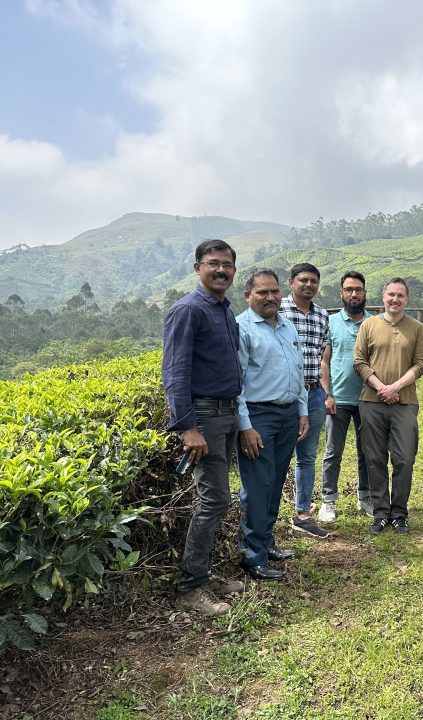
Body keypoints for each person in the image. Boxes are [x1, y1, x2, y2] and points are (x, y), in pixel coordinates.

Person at [162, 239, 245, 616]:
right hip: (205, 417)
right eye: (213, 263)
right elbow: (175, 373)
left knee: (214, 499)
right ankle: (190, 588)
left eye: (227, 265)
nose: (221, 270)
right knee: (213, 499)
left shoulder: (225, 310)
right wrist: (187, 426)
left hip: (225, 414)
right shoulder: (187, 310)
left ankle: (203, 574)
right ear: (198, 267)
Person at [236, 269, 309, 580]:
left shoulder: (287, 326)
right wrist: (245, 426)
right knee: (257, 484)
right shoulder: (241, 328)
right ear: (248, 296)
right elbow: (236, 382)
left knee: (276, 480)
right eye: (262, 292)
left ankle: (266, 543)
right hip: (258, 416)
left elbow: (299, 371)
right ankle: (252, 556)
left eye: (274, 292)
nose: (270, 297)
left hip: (288, 414)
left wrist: (302, 410)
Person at [353, 278, 423, 534]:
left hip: (404, 402)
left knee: (404, 458)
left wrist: (395, 388)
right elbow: (359, 361)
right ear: (383, 297)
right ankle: (381, 512)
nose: (395, 300)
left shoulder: (417, 327)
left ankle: (399, 513)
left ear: (407, 299)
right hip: (372, 401)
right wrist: (381, 387)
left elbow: (420, 363)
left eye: (400, 295)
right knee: (374, 457)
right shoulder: (368, 325)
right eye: (391, 295)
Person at [278, 263, 332, 538]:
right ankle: (268, 514)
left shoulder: (322, 315)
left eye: (313, 281)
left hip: (313, 393)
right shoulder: (278, 310)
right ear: (291, 282)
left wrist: (325, 391)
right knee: (279, 455)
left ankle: (303, 514)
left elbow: (323, 356)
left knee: (308, 456)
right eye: (303, 280)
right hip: (286, 395)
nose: (308, 285)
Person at [320, 271, 373, 520]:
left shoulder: (375, 323)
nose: (354, 294)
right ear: (341, 293)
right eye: (349, 289)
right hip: (338, 399)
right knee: (333, 452)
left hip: (367, 399)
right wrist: (327, 394)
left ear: (365, 292)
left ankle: (365, 497)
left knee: (367, 452)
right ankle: (328, 500)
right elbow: (324, 361)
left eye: (358, 289)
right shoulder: (330, 322)